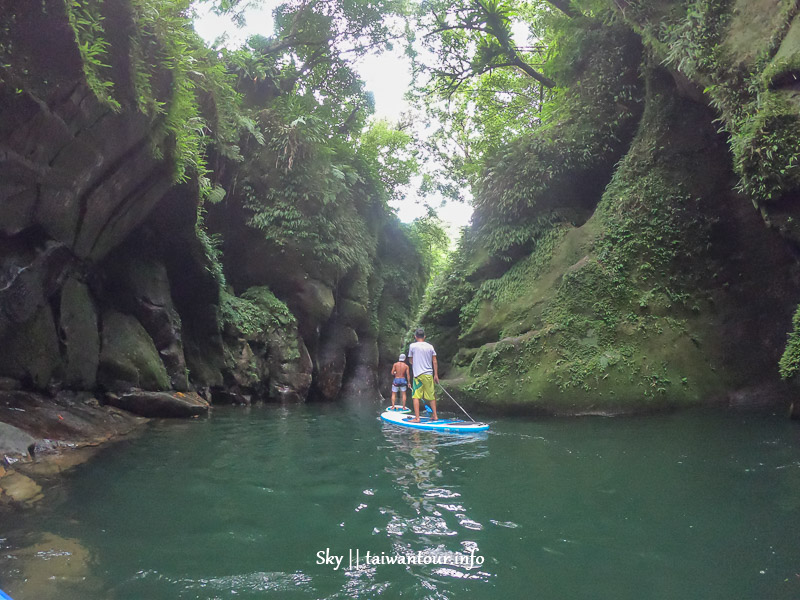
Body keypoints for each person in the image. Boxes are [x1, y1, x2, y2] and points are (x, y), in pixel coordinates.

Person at [407, 327, 438, 422]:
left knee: (416, 396)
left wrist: (415, 362)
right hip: (429, 374)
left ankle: (417, 418)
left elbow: (411, 360)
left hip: (418, 375)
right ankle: (435, 416)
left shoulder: (412, 346)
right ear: (424, 337)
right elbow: (434, 361)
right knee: (431, 396)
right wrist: (436, 375)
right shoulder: (430, 346)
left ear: (415, 336)